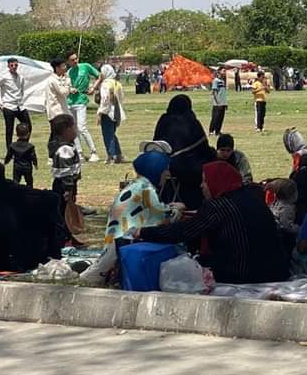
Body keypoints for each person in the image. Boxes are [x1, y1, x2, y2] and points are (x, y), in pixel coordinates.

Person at [138, 161, 290, 285]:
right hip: (276, 270)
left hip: (244, 274)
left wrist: (144, 232)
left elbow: (184, 231)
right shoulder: (250, 195)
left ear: (216, 181)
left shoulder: (219, 206)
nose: (202, 185)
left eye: (205, 181)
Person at [152, 94, 216, 210]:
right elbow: (203, 148)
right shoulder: (191, 122)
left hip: (163, 165)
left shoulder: (164, 121)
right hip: (186, 169)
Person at [104, 151, 183, 244]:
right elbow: (162, 215)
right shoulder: (146, 190)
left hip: (113, 241)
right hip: (127, 242)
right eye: (164, 174)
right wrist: (177, 209)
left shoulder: (134, 186)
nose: (166, 178)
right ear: (156, 172)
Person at [48, 113, 84, 229]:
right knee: (64, 211)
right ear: (67, 130)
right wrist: (68, 189)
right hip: (64, 185)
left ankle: (67, 233)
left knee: (66, 208)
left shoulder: (68, 146)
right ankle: (63, 234)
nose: (75, 130)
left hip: (68, 183)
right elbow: (65, 171)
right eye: (73, 127)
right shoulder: (65, 149)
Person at [66, 52, 100, 162]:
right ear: (68, 62)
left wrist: (93, 88)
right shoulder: (68, 73)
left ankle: (93, 152)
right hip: (70, 102)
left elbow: (99, 76)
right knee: (74, 129)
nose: (75, 61)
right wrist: (70, 89)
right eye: (72, 60)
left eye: (76, 58)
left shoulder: (85, 66)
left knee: (82, 128)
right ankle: (79, 153)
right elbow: (65, 86)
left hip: (81, 102)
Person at [0, 56, 31, 149]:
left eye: (16, 65)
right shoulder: (4, 77)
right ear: (8, 66)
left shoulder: (21, 77)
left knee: (28, 126)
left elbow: (21, 91)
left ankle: (22, 146)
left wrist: (21, 100)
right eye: (12, 65)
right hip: (9, 106)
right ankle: (10, 151)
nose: (14, 67)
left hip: (19, 106)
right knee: (9, 130)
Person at [96, 64, 126, 164]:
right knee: (112, 134)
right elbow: (121, 98)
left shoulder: (105, 84)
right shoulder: (117, 83)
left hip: (107, 112)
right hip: (117, 112)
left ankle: (111, 156)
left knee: (107, 135)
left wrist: (100, 112)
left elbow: (105, 100)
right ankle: (119, 155)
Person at [4, 122, 38, 186]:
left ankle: (15, 191)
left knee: (16, 181)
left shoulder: (13, 146)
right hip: (27, 167)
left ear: (16, 134)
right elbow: (33, 156)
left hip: (17, 167)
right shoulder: (30, 146)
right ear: (28, 134)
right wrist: (35, 164)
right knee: (29, 181)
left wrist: (6, 162)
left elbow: (9, 155)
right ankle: (30, 190)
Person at [209, 68, 228, 135]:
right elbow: (214, 92)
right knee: (215, 118)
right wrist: (218, 102)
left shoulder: (222, 81)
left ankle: (217, 131)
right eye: (224, 71)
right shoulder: (216, 81)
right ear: (219, 72)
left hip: (223, 103)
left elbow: (223, 93)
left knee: (221, 118)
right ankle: (211, 131)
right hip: (217, 104)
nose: (225, 72)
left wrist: (225, 103)